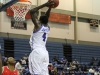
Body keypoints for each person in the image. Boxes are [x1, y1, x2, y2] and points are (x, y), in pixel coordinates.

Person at [29, 1, 54, 75]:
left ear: (40, 21)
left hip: (37, 52)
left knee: (35, 73)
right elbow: (46, 16)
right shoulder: (47, 27)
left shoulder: (38, 25)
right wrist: (49, 8)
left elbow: (32, 11)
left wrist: (45, 5)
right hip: (45, 53)